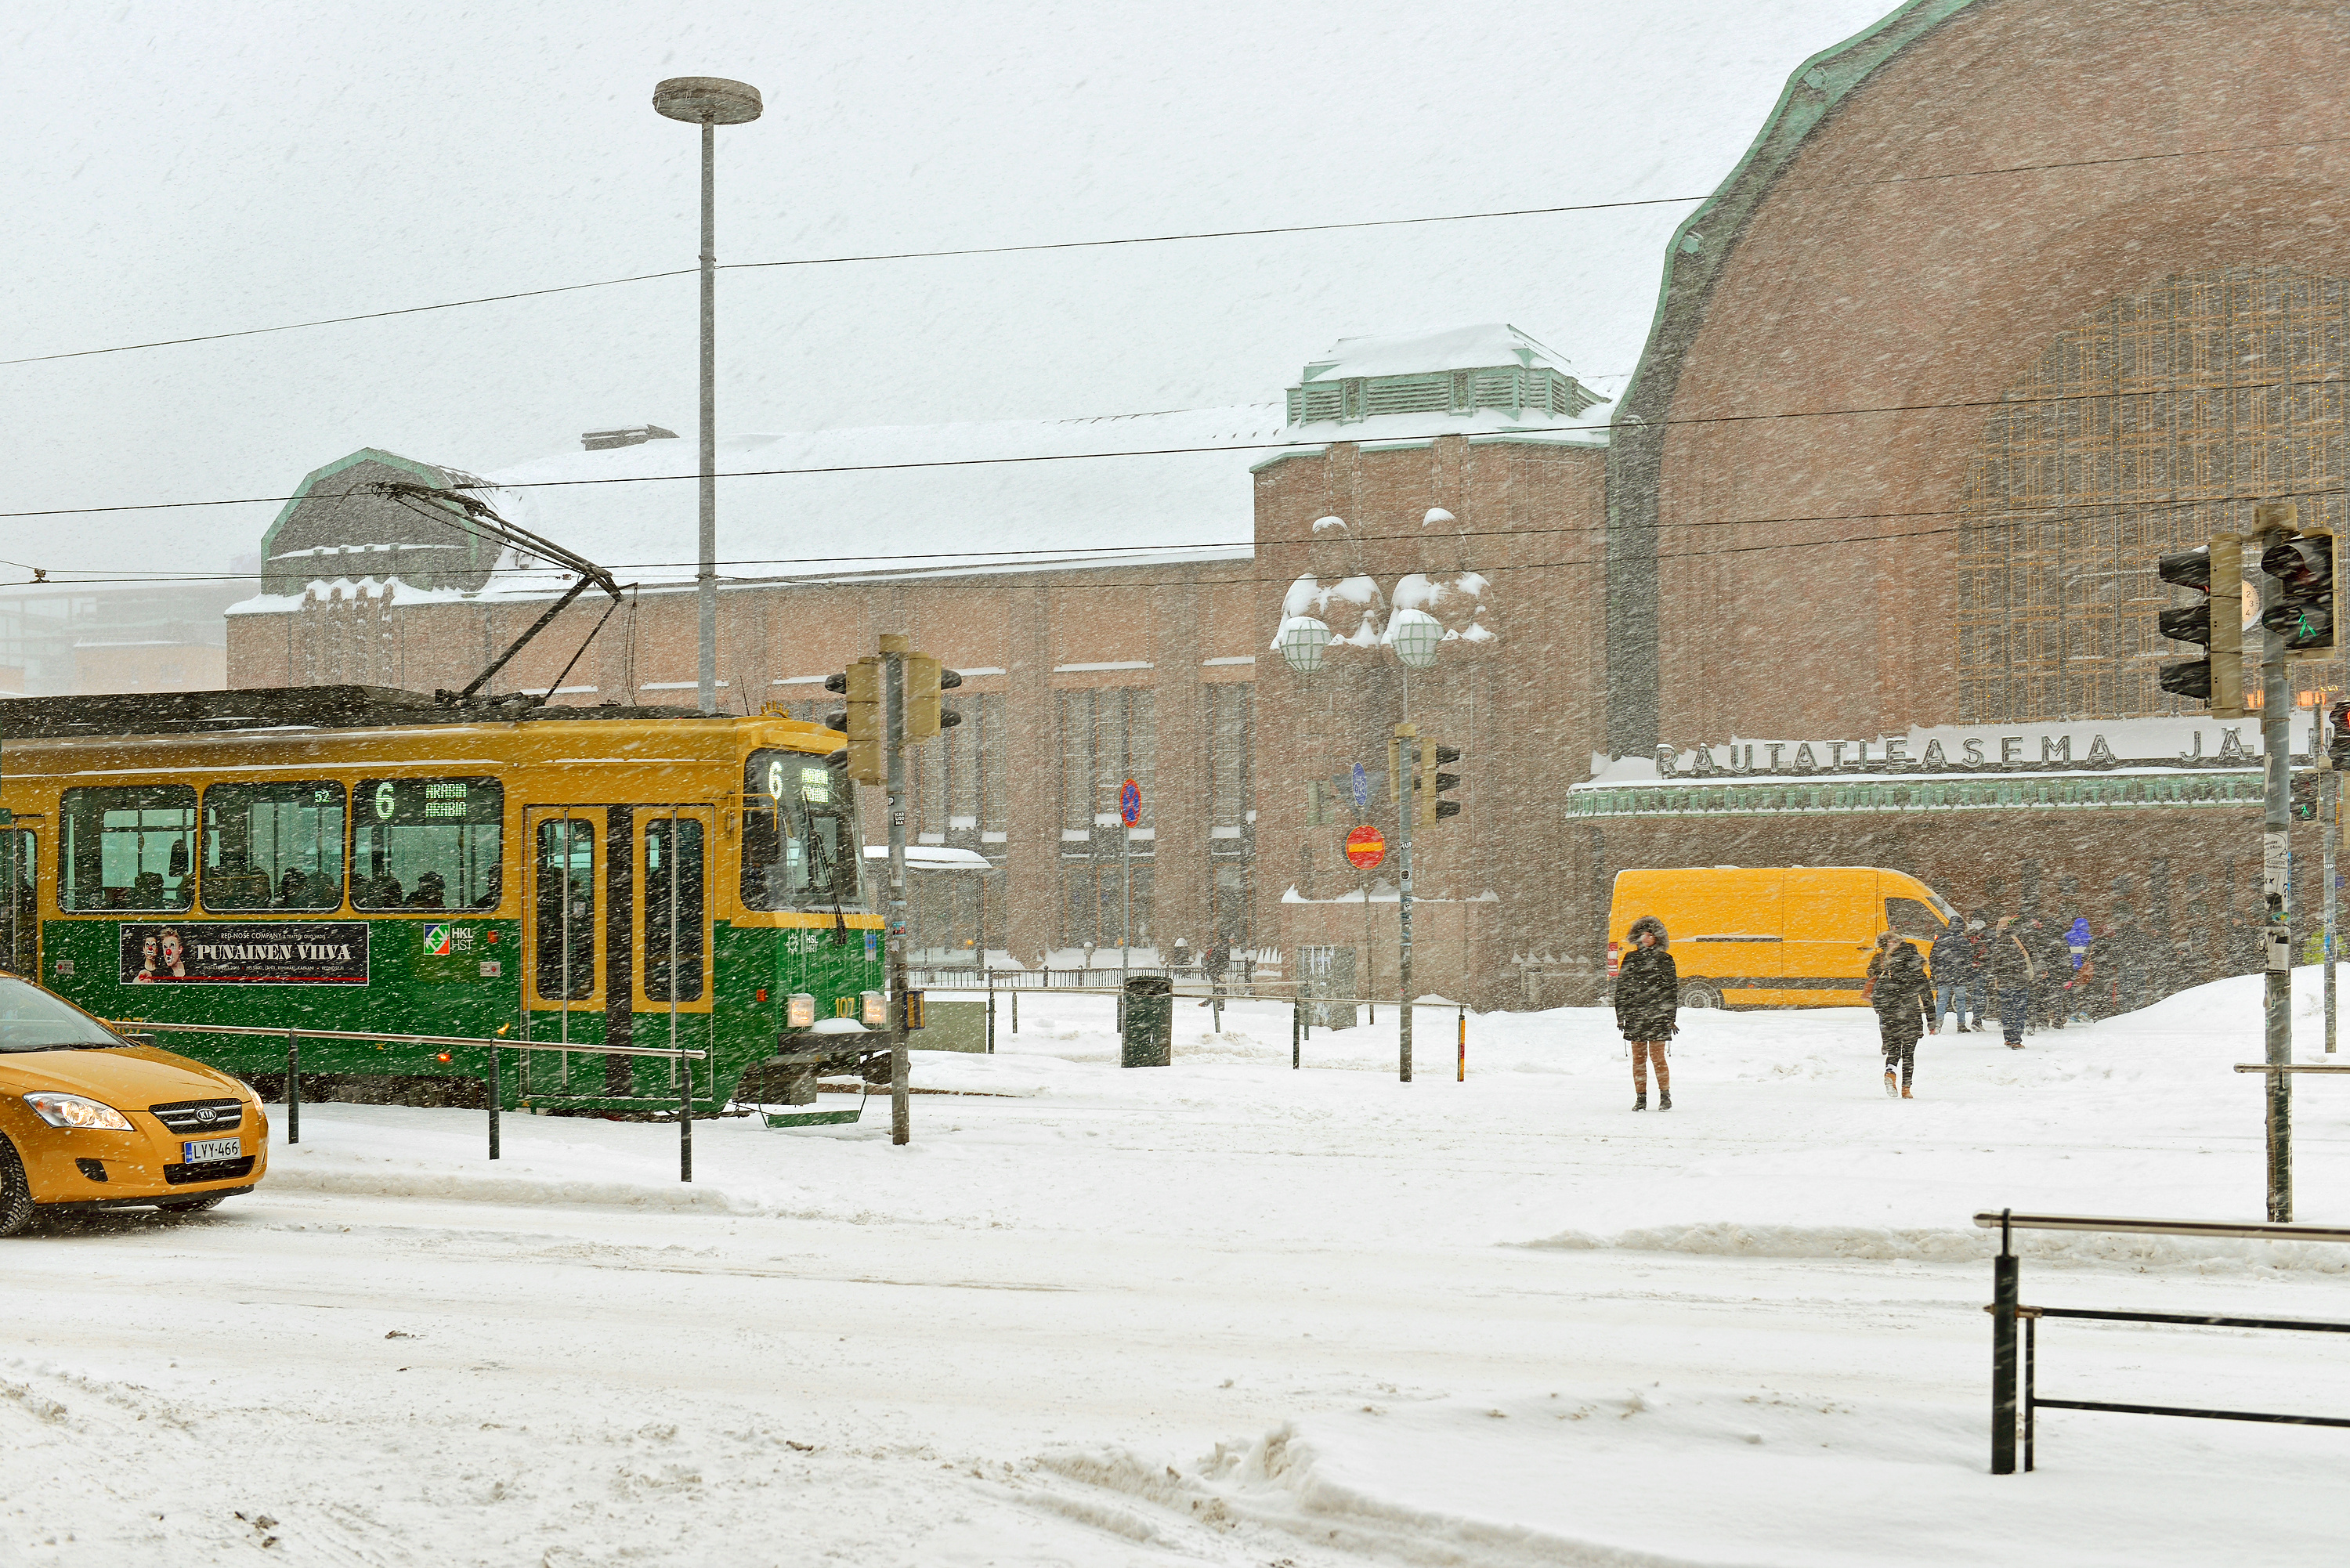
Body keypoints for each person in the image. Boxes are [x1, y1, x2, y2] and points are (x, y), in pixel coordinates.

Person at [1614, 916, 1678, 1111]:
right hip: (1635, 1014)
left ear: (1657, 938)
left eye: (1650, 935)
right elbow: (1622, 987)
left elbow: (1671, 990)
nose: (1646, 939)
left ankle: (1665, 1096)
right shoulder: (1630, 959)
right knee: (1638, 1059)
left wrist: (1670, 1018)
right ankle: (1640, 1098)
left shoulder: (1665, 960)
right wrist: (1621, 1014)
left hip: (1658, 1015)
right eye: (1643, 935)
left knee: (1658, 1058)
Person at [1866, 930, 1933, 1097]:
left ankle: (1890, 1072)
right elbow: (1927, 998)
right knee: (1909, 1054)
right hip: (1910, 1014)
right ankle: (1906, 1089)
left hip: (1891, 1015)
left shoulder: (1889, 970)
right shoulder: (1918, 973)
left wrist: (1883, 1011)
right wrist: (1932, 1020)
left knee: (1894, 1050)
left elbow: (1879, 992)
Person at [1985, 916, 2037, 1050]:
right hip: (2021, 980)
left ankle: (2008, 1037)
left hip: (2005, 981)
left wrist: (1997, 975)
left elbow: (1994, 964)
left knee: (2007, 1009)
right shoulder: (2024, 939)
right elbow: (2033, 957)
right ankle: (2016, 1039)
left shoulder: (2000, 942)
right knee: (2019, 1009)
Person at [1929, 914, 1975, 1033]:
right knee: (1961, 1000)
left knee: (1942, 1000)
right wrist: (1968, 974)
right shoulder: (1964, 942)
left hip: (1944, 975)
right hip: (1959, 975)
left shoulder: (1940, 940)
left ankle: (1938, 1024)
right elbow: (1968, 960)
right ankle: (1961, 1024)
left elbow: (1933, 957)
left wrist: (1935, 972)